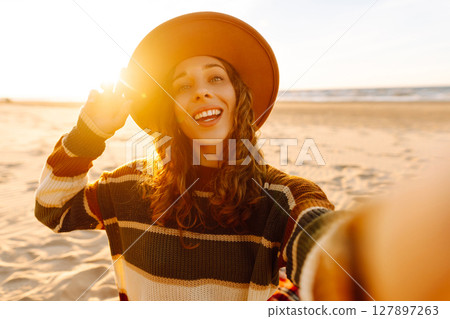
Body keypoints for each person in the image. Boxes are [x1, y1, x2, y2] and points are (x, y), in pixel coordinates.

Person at [34, 11, 350, 301]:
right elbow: (53, 211)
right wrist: (90, 133)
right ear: (172, 110)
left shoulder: (284, 198)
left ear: (238, 98)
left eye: (216, 78)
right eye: (183, 85)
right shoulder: (127, 186)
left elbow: (330, 256)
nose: (201, 92)